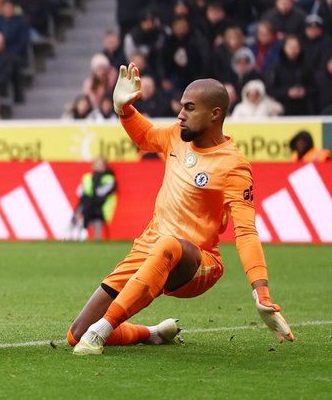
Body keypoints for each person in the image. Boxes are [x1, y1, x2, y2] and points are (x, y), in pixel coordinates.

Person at [69, 63, 294, 356]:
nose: (180, 115)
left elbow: (246, 231)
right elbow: (145, 136)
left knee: (168, 245)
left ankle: (100, 332)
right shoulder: (176, 135)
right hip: (148, 249)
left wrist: (260, 291)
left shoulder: (234, 165)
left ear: (214, 114)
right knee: (76, 333)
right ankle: (152, 334)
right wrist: (124, 110)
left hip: (198, 262)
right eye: (181, 107)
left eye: (189, 108)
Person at [69, 157, 117, 241]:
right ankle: (77, 226)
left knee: (87, 202)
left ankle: (76, 222)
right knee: (85, 200)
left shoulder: (109, 178)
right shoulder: (87, 177)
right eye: (97, 164)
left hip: (100, 209)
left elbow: (101, 193)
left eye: (101, 165)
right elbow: (79, 192)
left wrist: (96, 181)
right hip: (88, 208)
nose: (98, 167)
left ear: (105, 166)